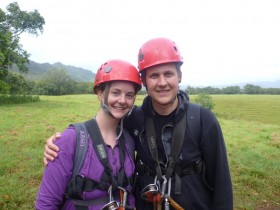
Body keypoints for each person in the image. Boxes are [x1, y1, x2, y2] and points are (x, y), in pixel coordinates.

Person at [43, 37, 233, 210]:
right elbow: (100, 127)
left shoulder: (202, 119)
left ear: (179, 76)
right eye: (154, 76)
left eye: (169, 74)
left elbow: (222, 181)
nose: (162, 82)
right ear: (144, 81)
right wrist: (60, 143)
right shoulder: (133, 118)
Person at [35, 59, 142, 210]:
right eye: (115, 93)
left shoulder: (129, 140)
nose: (122, 100)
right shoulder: (71, 140)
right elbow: (46, 204)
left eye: (129, 95)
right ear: (99, 93)